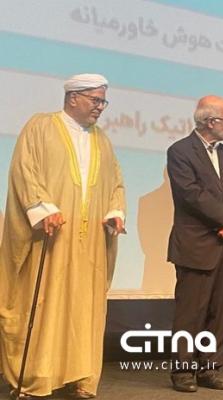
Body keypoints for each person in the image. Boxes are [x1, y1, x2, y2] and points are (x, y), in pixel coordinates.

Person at [0, 74, 125, 398]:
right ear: (73, 98)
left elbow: (115, 184)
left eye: (103, 101)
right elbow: (24, 170)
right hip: (50, 237)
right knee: (45, 305)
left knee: (84, 309)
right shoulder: (40, 126)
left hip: (89, 243)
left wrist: (115, 212)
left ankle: (80, 377)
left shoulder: (102, 140)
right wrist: (43, 209)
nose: (101, 107)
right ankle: (36, 378)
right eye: (95, 100)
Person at [166, 95, 223, 392]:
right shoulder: (180, 151)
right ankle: (183, 371)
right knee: (191, 313)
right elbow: (191, 195)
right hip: (196, 245)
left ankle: (209, 368)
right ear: (211, 121)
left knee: (219, 313)